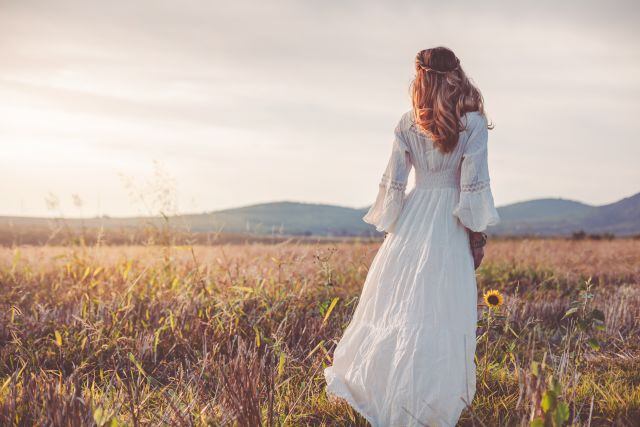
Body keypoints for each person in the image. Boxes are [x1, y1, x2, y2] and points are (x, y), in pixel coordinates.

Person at [324, 46, 500, 426]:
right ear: (457, 75)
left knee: (401, 308)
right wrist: (477, 239)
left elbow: (395, 188)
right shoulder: (472, 124)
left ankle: (393, 393)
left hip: (413, 219)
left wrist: (396, 231)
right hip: (450, 225)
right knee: (441, 311)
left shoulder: (407, 123)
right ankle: (431, 402)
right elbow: (471, 192)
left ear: (420, 77)